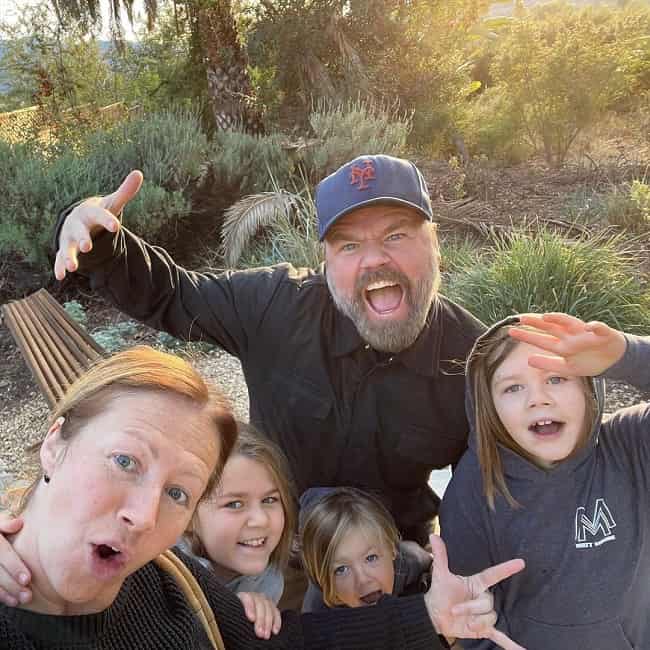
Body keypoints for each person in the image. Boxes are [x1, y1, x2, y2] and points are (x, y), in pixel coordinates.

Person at [51, 154, 486, 547]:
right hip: (276, 548)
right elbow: (173, 295)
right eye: (349, 245)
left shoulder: (478, 364)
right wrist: (99, 242)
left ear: (434, 244)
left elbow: (515, 481)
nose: (373, 260)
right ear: (327, 261)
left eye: (396, 235)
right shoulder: (276, 305)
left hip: (394, 556)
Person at [0, 346, 527, 649]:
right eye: (124, 461)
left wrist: (430, 617)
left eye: (179, 491)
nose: (142, 515)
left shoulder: (173, 581)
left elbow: (288, 645)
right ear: (55, 443)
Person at [439, 312, 650, 648]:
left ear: (588, 385)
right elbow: (474, 623)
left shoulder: (630, 443)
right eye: (513, 387)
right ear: (489, 407)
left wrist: (626, 354)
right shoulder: (473, 491)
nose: (538, 399)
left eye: (556, 378)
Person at [177, 423, 295, 636]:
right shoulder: (159, 577)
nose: (260, 520)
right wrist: (226, 611)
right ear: (189, 517)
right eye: (234, 504)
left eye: (270, 499)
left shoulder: (269, 581)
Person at [299, 487, 432, 613]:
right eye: (341, 569)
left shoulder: (404, 565)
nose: (362, 579)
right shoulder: (317, 614)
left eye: (371, 558)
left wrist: (431, 559)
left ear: (392, 550)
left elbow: (422, 558)